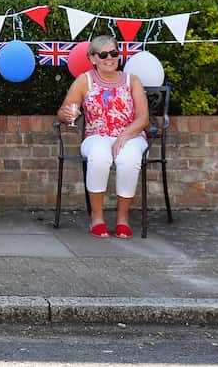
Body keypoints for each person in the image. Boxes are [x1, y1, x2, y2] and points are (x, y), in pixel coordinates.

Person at [57, 35, 150, 238]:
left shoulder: (131, 80)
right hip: (96, 135)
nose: (110, 58)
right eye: (104, 54)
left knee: (129, 158)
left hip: (130, 135)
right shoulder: (84, 81)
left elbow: (143, 119)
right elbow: (64, 111)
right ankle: (97, 218)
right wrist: (65, 114)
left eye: (114, 53)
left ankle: (122, 219)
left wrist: (123, 136)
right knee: (99, 156)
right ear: (92, 58)